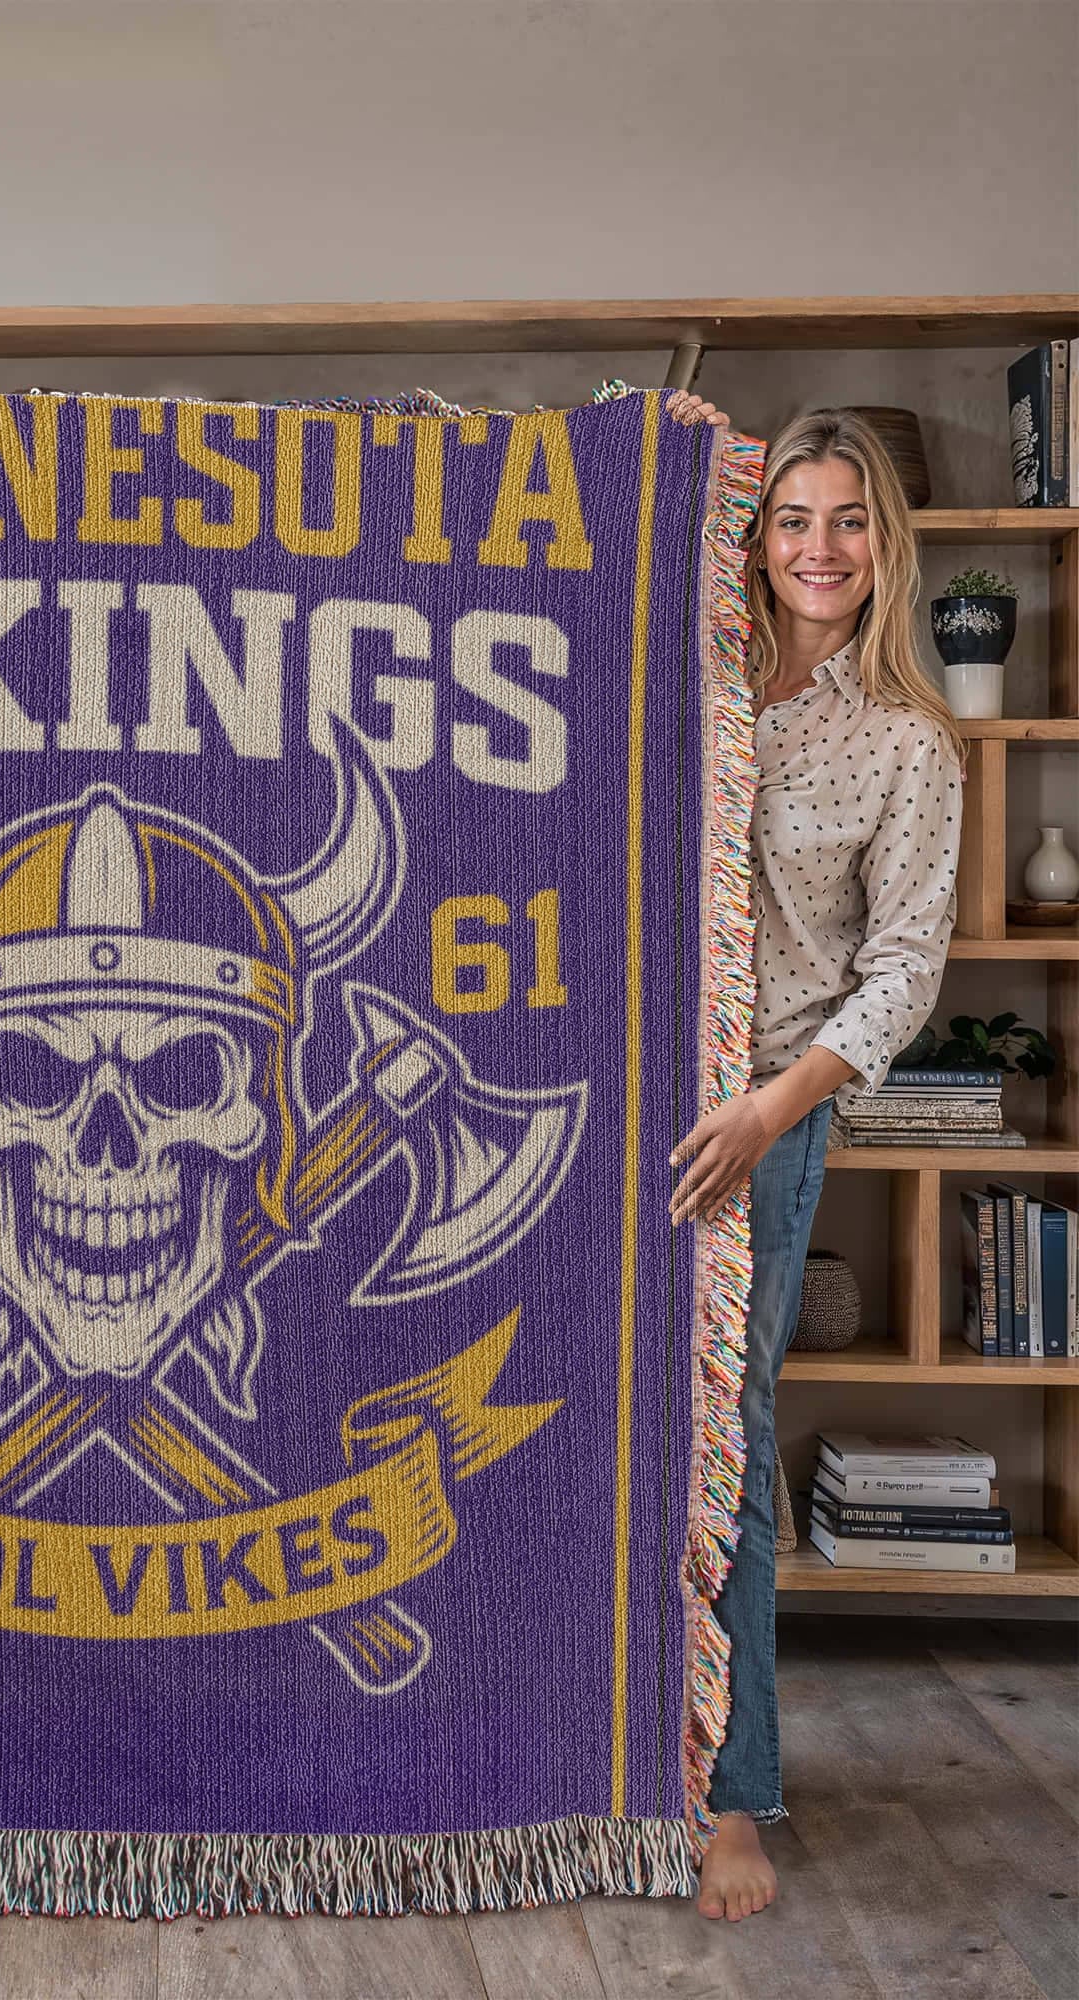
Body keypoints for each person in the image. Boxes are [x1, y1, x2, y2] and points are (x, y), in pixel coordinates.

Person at [662, 395, 965, 1920]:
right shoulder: (684, 676)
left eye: (848, 521)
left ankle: (734, 1793)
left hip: (762, 1123)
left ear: (884, 544)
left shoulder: (906, 738)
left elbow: (902, 971)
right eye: (794, 519)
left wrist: (770, 1112)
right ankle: (578, 1751)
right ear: (754, 537)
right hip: (621, 1097)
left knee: (726, 1437)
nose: (820, 548)